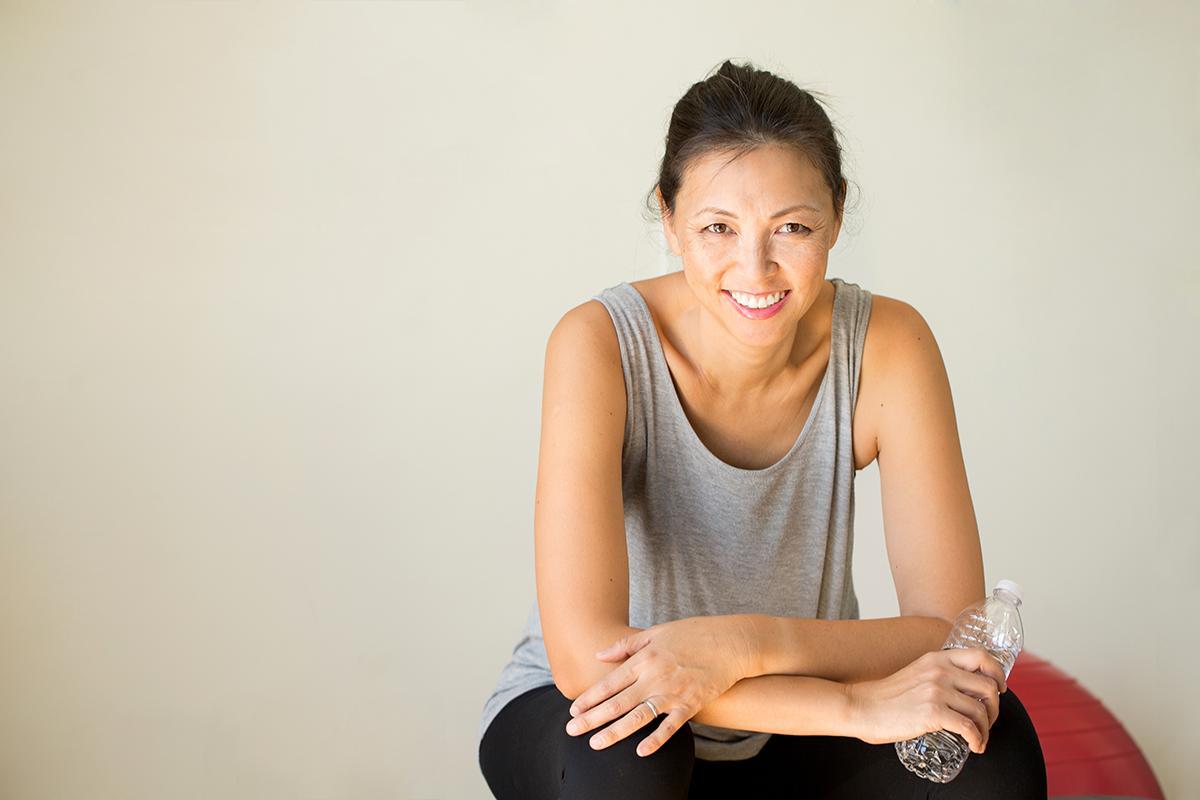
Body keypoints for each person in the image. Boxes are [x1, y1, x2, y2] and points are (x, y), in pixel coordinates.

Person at [477, 58, 1048, 799]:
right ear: (670, 217)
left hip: (790, 713)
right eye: (718, 226)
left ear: (837, 217)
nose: (757, 268)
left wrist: (739, 644)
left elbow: (945, 627)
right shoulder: (598, 343)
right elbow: (589, 663)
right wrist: (850, 704)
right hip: (603, 715)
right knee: (625, 764)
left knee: (989, 749)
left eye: (793, 227)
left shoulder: (888, 345)